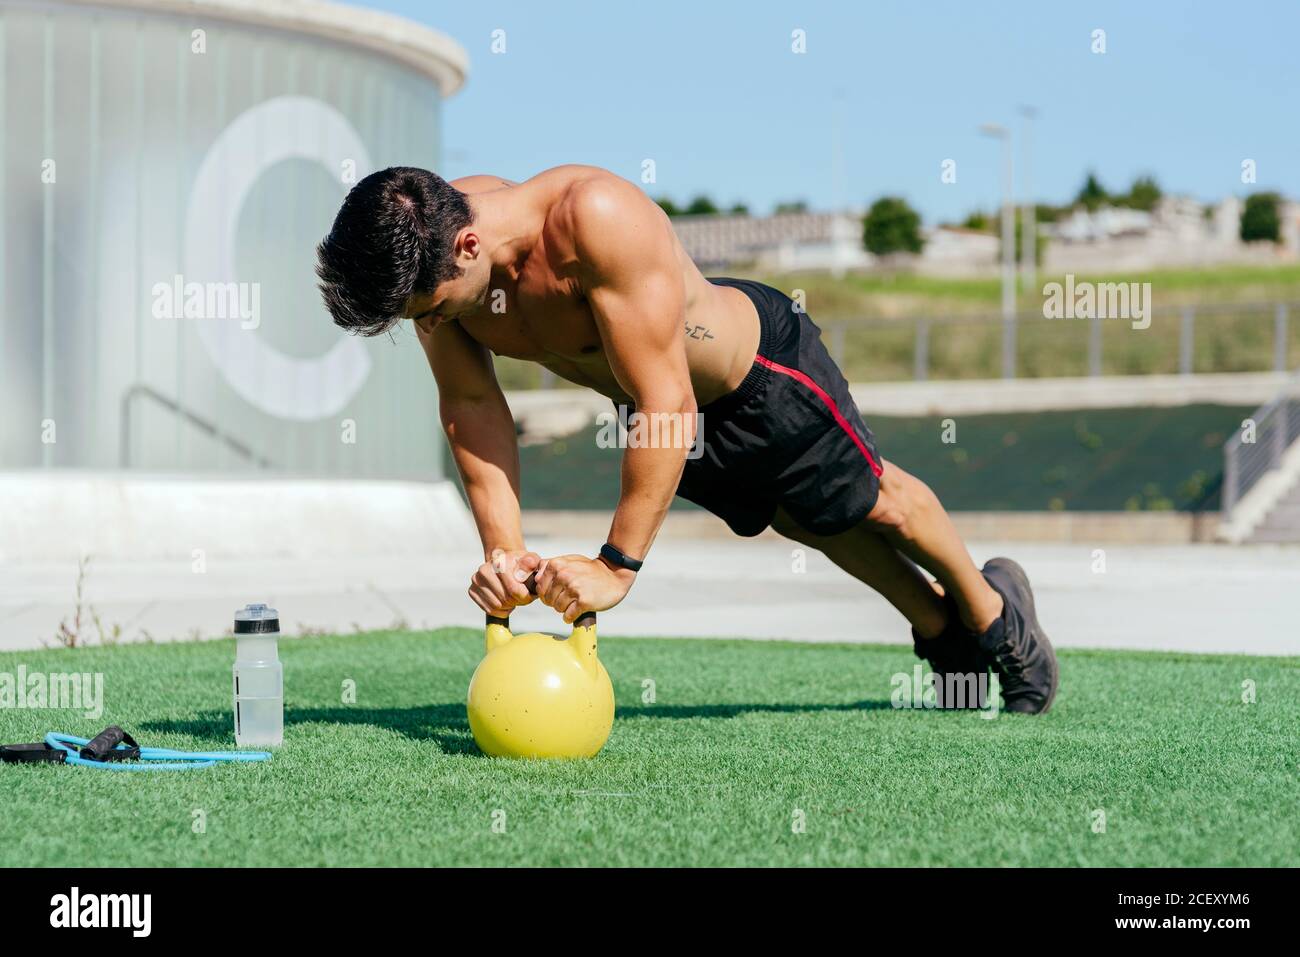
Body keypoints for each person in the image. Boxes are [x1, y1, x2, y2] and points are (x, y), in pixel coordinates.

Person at [316, 165, 1058, 713]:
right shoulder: (435, 268)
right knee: (811, 520)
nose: (432, 326)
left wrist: (616, 565)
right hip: (664, 419)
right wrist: (503, 553)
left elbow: (665, 397)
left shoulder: (592, 218)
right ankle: (944, 636)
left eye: (431, 311)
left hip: (758, 375)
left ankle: (999, 622)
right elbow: (472, 403)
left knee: (875, 500)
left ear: (469, 244)